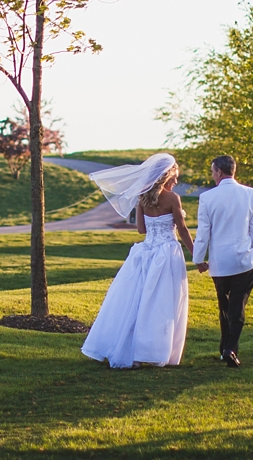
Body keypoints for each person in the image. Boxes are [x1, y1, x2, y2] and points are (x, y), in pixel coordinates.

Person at [80, 153, 194, 368]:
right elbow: (183, 229)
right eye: (175, 177)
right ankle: (155, 350)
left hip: (145, 253)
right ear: (166, 175)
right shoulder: (172, 199)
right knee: (162, 303)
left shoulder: (142, 197)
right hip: (167, 253)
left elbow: (141, 229)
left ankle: (128, 348)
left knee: (136, 300)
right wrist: (196, 255)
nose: (176, 181)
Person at [192, 154, 253, 368]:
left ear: (220, 172)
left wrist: (198, 259)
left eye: (213, 172)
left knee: (225, 306)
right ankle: (229, 348)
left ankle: (226, 347)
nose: (212, 176)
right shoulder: (251, 194)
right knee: (238, 305)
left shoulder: (207, 198)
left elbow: (203, 232)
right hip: (244, 261)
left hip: (220, 263)